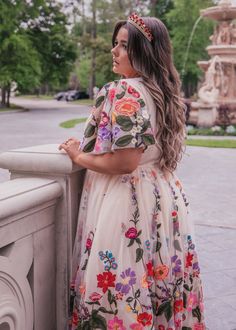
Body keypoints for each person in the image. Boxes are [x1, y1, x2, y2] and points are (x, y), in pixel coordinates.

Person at [59, 13, 205, 330]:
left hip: (127, 201)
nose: (114, 51)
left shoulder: (122, 91)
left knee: (120, 289)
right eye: (115, 44)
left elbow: (125, 162)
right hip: (164, 197)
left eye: (123, 46)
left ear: (143, 53)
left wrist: (77, 156)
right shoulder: (165, 94)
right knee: (157, 283)